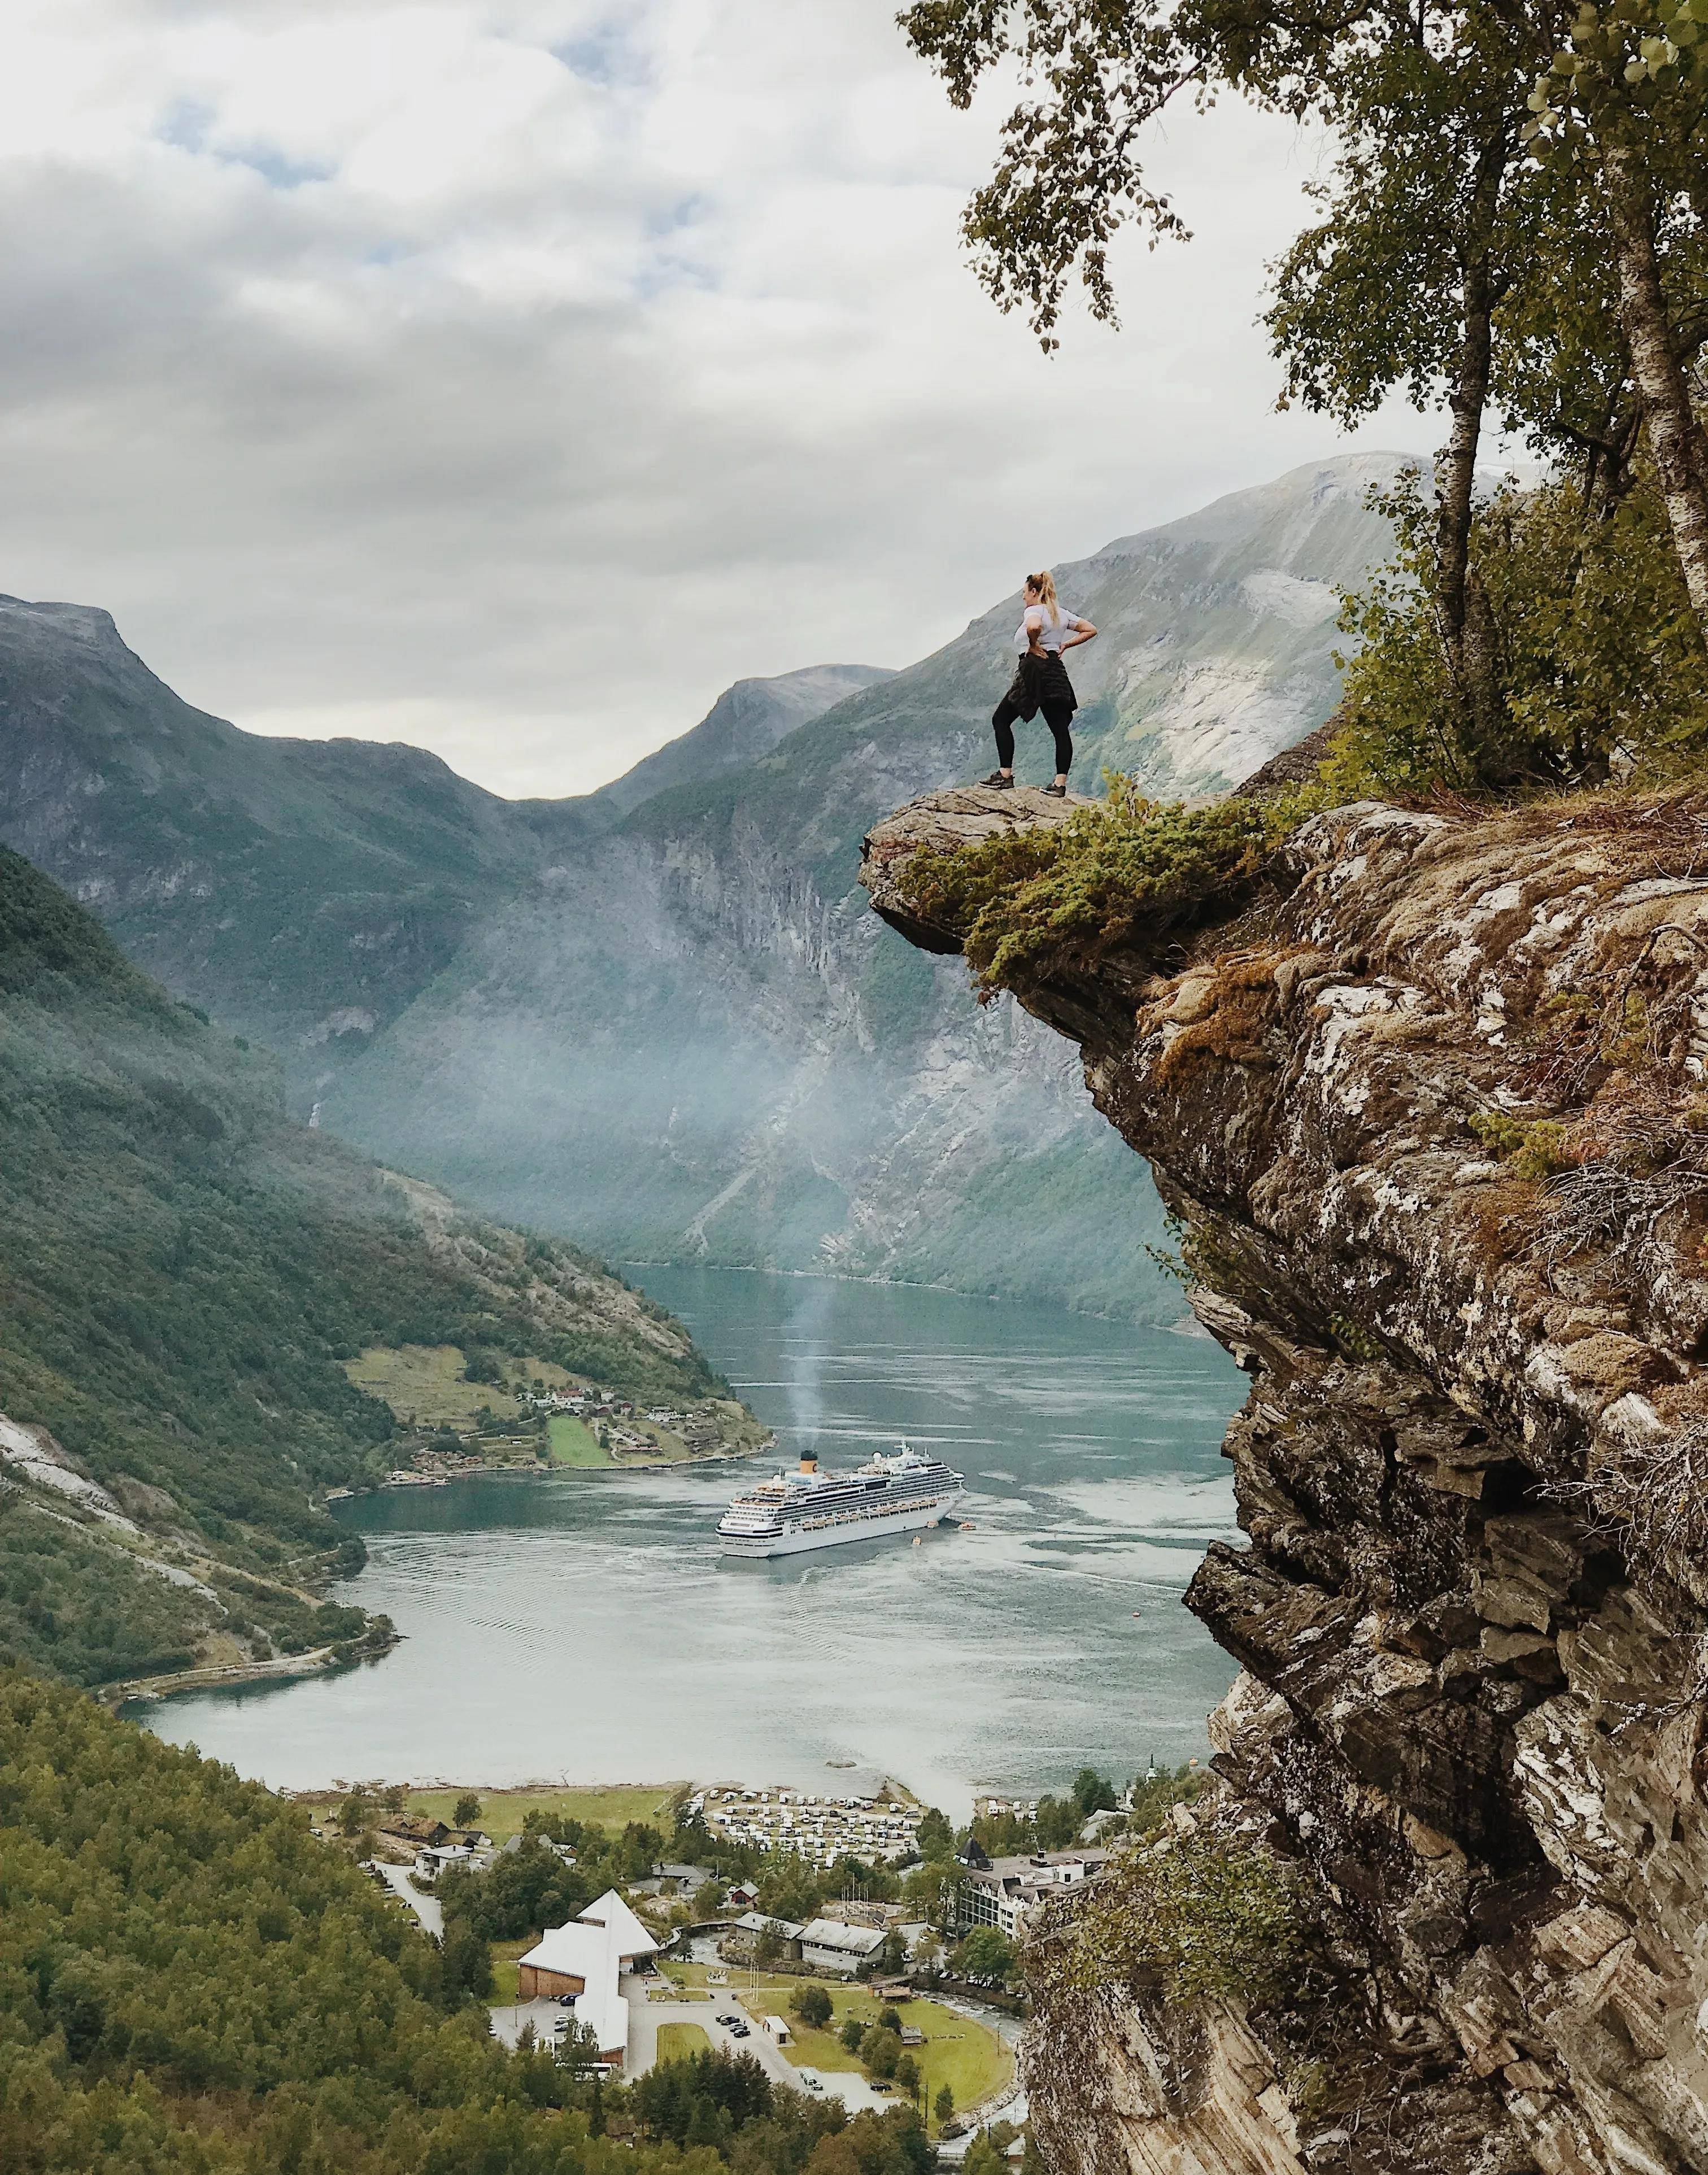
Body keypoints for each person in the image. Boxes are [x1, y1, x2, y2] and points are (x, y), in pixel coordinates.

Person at [983, 572, 1097, 796]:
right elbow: (1091, 629)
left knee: (1001, 719)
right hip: (1055, 670)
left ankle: (1005, 776)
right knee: (1060, 730)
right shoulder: (1060, 614)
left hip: (1034, 669)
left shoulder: (1034, 610)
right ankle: (1060, 784)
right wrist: (1065, 645)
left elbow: (1033, 626)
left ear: (1034, 592)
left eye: (1025, 593)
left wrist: (1033, 644)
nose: (1024, 598)